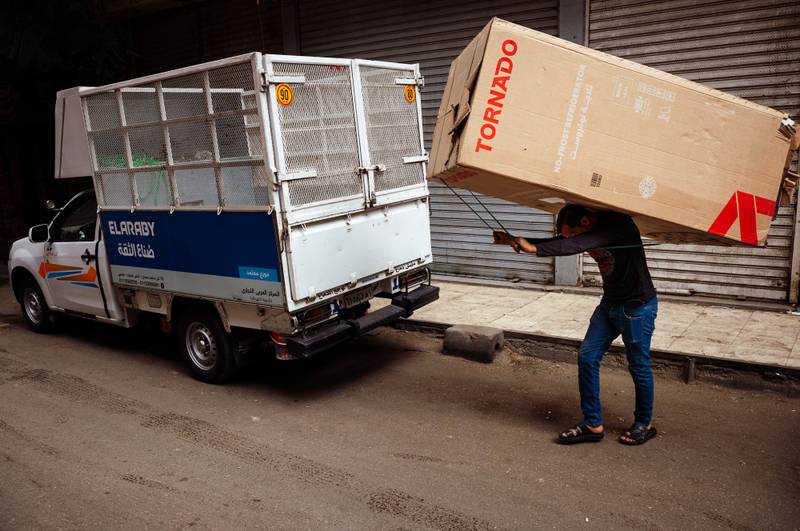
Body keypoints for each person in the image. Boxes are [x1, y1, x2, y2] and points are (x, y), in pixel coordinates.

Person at [494, 204, 658, 446]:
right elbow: (565, 242)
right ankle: (593, 424)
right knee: (587, 357)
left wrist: (535, 248)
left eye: (572, 233)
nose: (570, 239)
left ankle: (644, 423)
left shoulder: (618, 224)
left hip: (637, 307)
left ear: (584, 222)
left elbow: (575, 244)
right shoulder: (586, 231)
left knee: (638, 365)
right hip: (610, 305)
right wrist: (515, 240)